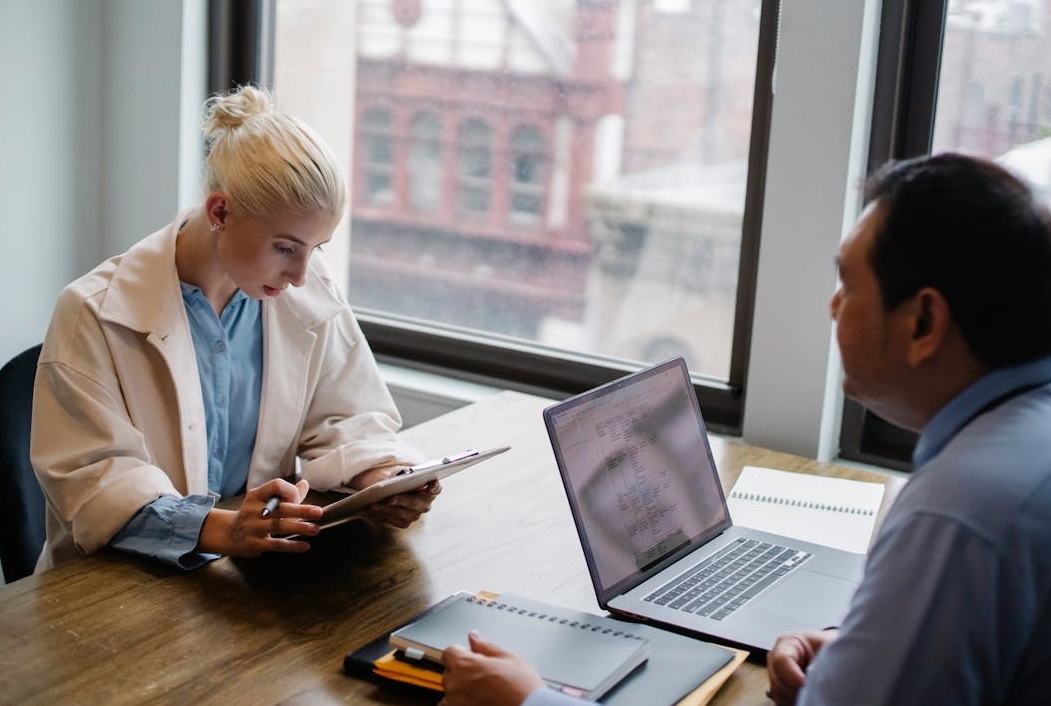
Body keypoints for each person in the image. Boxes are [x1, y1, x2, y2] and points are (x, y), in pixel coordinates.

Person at [438, 152, 1051, 706]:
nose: (832, 307)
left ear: (923, 322)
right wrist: (866, 649)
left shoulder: (960, 514)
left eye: (849, 284)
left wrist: (527, 703)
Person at [31, 84, 439, 572]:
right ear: (220, 211)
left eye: (318, 248)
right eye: (286, 248)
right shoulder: (91, 314)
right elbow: (95, 484)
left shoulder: (298, 291)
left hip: (246, 579)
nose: (302, 275)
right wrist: (224, 530)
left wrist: (383, 475)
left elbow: (346, 416)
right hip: (108, 592)